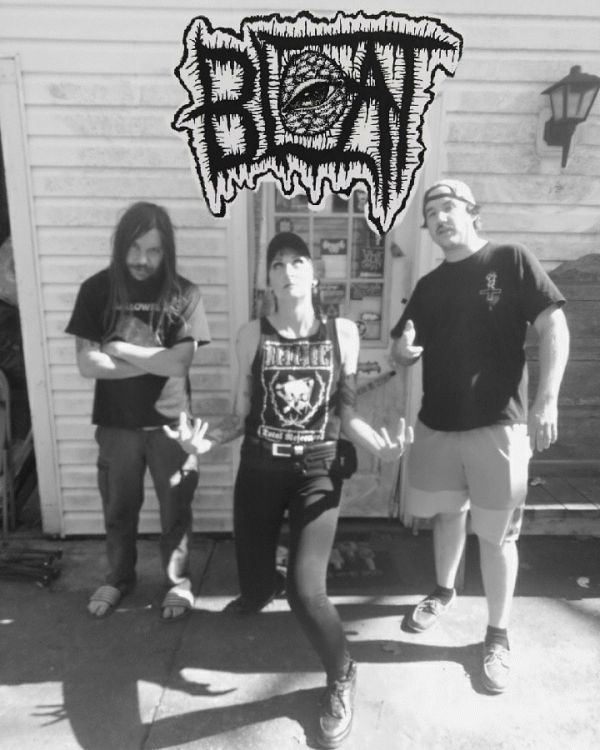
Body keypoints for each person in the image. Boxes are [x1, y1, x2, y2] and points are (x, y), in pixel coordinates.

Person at [166, 231, 412, 749]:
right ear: (269, 281)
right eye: (277, 264)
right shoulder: (250, 335)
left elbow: (347, 414)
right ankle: (260, 591)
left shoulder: (342, 333)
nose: (288, 270)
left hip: (317, 472)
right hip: (259, 467)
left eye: (298, 261)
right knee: (253, 574)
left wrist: (381, 449)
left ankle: (342, 673)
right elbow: (241, 415)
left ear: (313, 274)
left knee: (306, 591)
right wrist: (203, 443)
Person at [390, 179, 569, 694]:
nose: (440, 218)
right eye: (431, 214)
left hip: (499, 427)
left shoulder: (511, 260)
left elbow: (553, 327)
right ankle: (443, 592)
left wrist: (548, 399)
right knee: (447, 515)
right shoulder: (429, 286)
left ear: (473, 212)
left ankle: (497, 635)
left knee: (497, 536)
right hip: (438, 427)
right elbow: (402, 348)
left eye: (449, 207)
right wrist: (403, 352)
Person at [65, 202, 211, 620]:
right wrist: (157, 359)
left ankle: (178, 583)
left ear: (167, 252)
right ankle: (118, 577)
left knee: (176, 512)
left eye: (153, 250)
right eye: (134, 247)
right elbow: (87, 364)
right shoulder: (96, 290)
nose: (142, 259)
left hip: (172, 426)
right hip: (117, 425)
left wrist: (119, 348)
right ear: (120, 245)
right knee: (118, 510)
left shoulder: (185, 293)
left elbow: (180, 363)